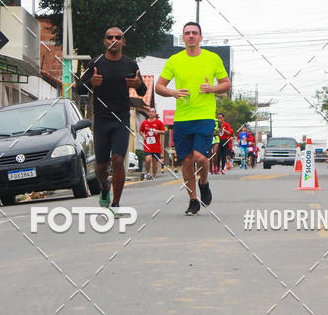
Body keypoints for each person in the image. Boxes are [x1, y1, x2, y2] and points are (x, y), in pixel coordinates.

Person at [155, 21, 231, 215]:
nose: (190, 36)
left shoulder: (212, 58)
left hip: (204, 116)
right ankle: (193, 200)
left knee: (201, 157)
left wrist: (212, 88)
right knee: (187, 161)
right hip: (182, 118)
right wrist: (173, 92)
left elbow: (226, 84)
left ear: (200, 37)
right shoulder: (175, 60)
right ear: (183, 37)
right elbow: (159, 86)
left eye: (194, 33)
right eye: (187, 33)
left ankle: (204, 183)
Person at [77, 27, 147, 209]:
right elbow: (79, 88)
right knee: (101, 166)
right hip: (101, 119)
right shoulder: (96, 63)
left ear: (123, 42)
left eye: (118, 37)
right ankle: (104, 185)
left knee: (117, 159)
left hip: (121, 118)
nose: (114, 40)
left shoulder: (130, 64)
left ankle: (116, 202)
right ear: (105, 41)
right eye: (110, 37)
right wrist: (90, 83)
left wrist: (138, 84)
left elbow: (143, 91)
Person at [140, 108, 166, 179]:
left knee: (155, 163)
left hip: (156, 146)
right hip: (147, 145)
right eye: (150, 112)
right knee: (148, 159)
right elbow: (141, 131)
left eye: (152, 112)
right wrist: (143, 135)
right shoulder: (144, 122)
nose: (151, 113)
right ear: (148, 113)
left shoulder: (159, 122)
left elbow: (164, 132)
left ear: (155, 114)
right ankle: (148, 173)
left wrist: (158, 131)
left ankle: (154, 176)